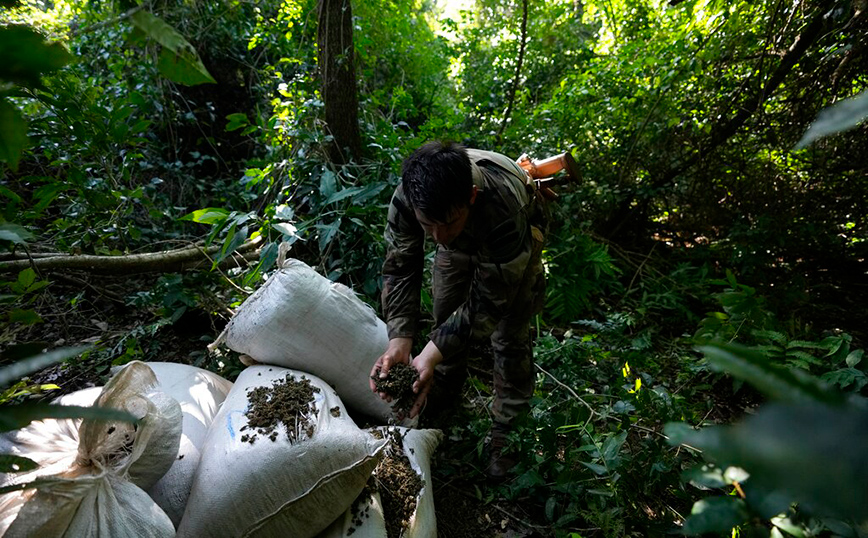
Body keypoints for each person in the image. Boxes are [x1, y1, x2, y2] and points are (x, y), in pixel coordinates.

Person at [369, 140, 548, 479]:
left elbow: (489, 301)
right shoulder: (412, 197)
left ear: (471, 198)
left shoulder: (503, 207)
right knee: (446, 315)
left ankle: (507, 434)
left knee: (509, 331)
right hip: (463, 233)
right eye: (427, 225)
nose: (437, 237)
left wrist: (430, 353)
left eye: (446, 224)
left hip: (510, 239)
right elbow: (400, 266)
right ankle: (443, 398)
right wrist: (401, 339)